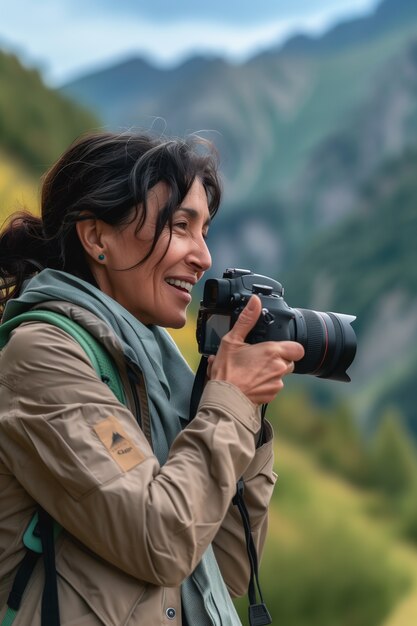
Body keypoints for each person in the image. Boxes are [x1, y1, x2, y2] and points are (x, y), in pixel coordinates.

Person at [0, 131, 304, 626]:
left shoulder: (157, 374)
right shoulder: (44, 356)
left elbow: (218, 584)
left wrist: (241, 414)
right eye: (181, 226)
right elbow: (160, 539)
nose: (203, 257)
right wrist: (229, 403)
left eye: (204, 230)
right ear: (97, 237)